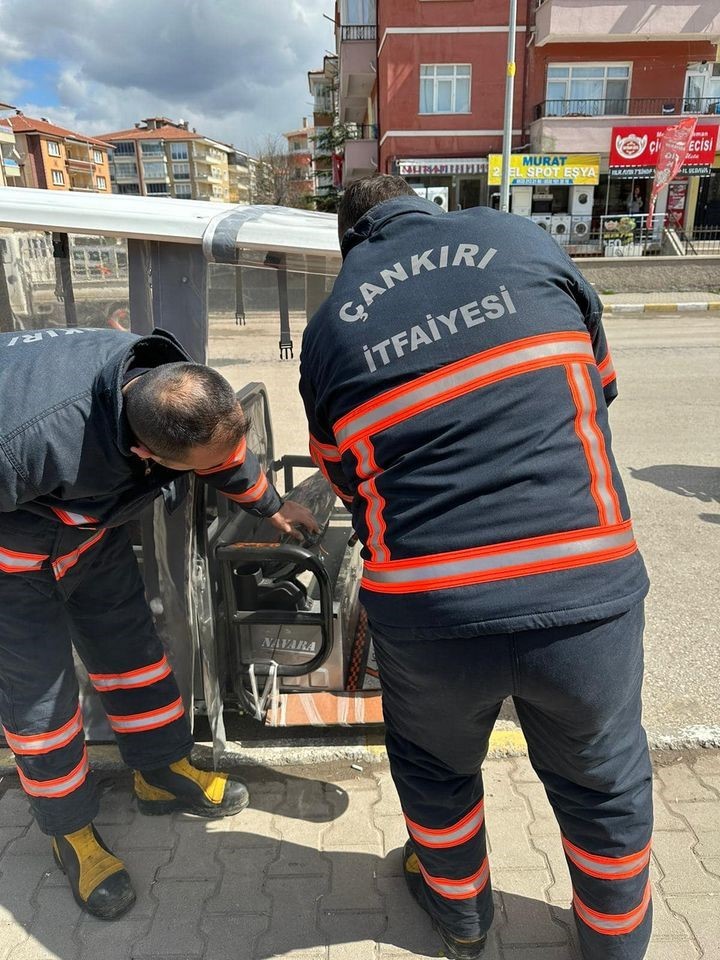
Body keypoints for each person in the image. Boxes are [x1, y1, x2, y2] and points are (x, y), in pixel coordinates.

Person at [299, 176, 652, 960]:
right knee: (604, 783)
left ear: (350, 241)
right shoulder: (524, 242)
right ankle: (616, 945)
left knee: (434, 768)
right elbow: (602, 389)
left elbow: (348, 480)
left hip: (430, 610)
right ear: (427, 208)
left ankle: (462, 921)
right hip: (582, 585)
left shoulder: (330, 328)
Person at [0, 326, 318, 920]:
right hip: (11, 555)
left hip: (89, 531)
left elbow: (220, 450)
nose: (221, 467)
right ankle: (70, 832)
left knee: (133, 653)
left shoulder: (175, 393)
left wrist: (271, 505)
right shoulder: (25, 438)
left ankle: (160, 771)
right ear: (147, 457)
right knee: (39, 698)